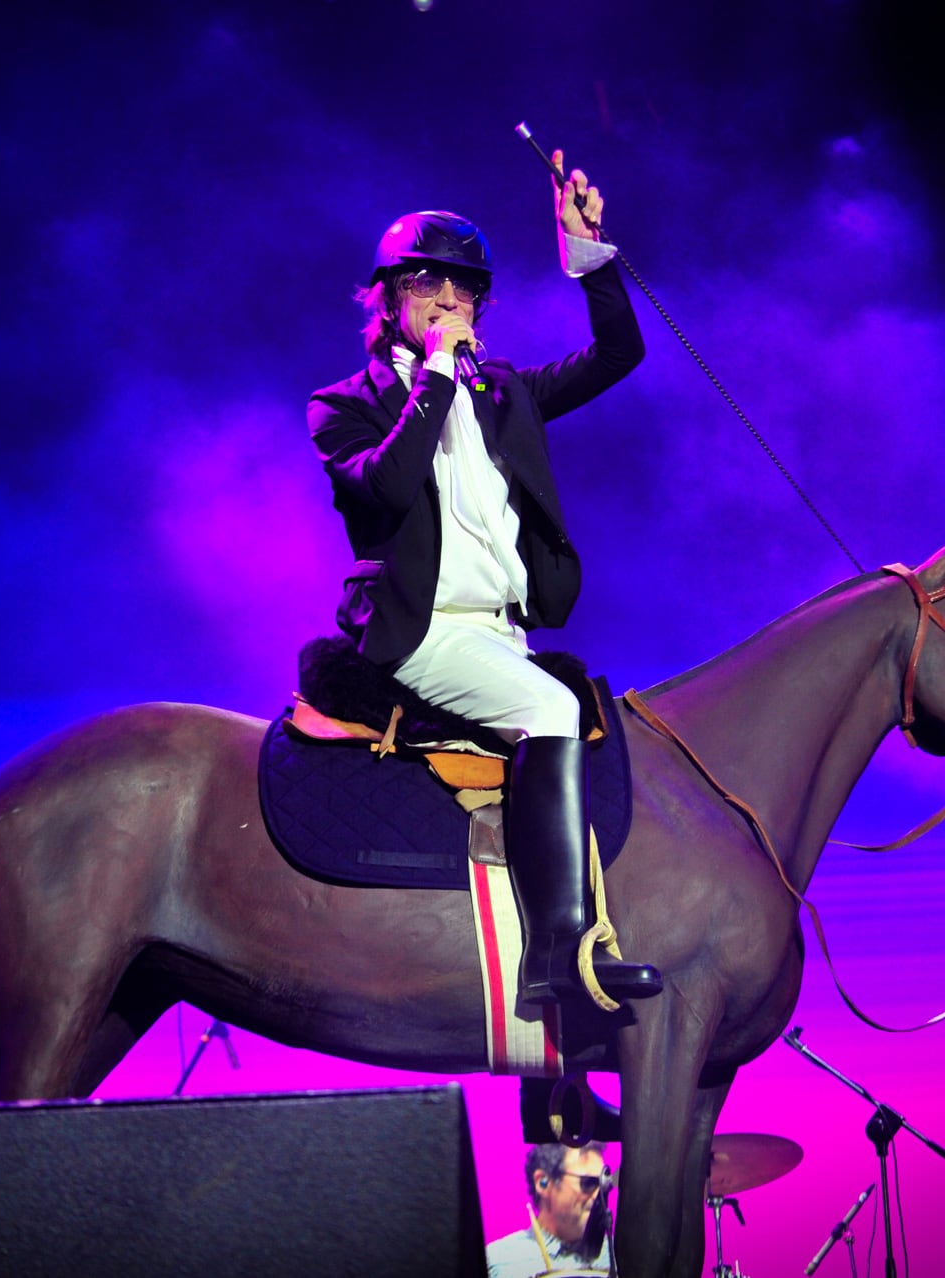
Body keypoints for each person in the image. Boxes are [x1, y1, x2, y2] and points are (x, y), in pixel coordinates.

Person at [306, 154, 662, 1007]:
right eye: (430, 285)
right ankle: (558, 957)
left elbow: (620, 351)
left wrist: (588, 253)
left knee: (584, 734)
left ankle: (555, 1094)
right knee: (552, 711)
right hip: (418, 631)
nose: (450, 303)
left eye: (466, 291)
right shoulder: (341, 404)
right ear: (389, 297)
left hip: (501, 632)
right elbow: (387, 488)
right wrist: (432, 375)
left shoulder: (506, 393)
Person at [484, 1141, 615, 1277]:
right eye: (588, 1183)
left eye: (603, 1184)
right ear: (543, 1182)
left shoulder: (620, 1256)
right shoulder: (499, 1262)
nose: (598, 1195)